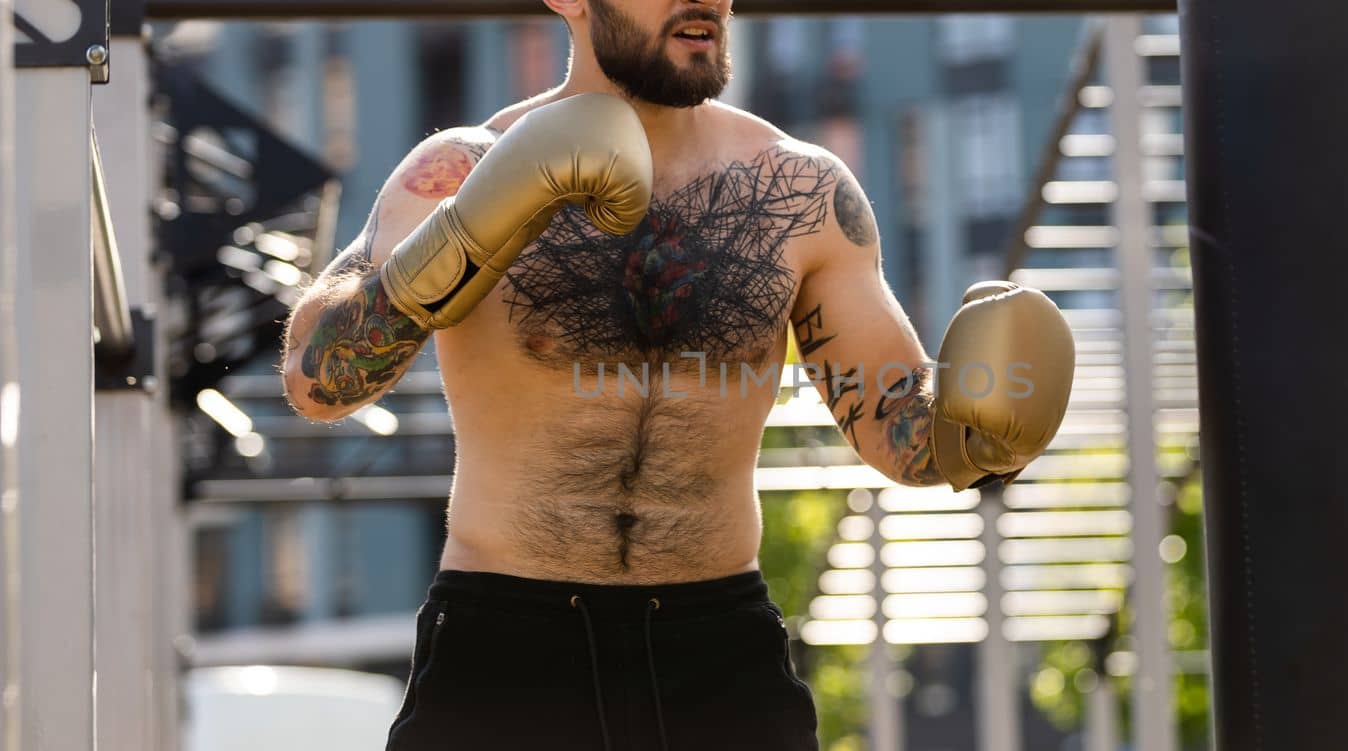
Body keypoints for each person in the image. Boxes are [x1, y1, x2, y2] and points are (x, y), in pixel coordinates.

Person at [279, 1, 1074, 748]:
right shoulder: (460, 171)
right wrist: (478, 225)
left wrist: (980, 431)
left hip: (719, 653)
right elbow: (319, 384)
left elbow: (895, 423)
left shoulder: (800, 192)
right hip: (504, 647)